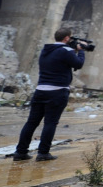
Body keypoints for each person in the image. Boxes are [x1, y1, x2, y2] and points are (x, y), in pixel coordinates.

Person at [14, 28, 87, 161]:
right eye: (70, 38)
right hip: (57, 92)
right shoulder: (66, 51)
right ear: (66, 38)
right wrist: (81, 51)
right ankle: (43, 153)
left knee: (31, 122)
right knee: (50, 123)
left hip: (41, 90)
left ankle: (20, 152)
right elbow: (79, 64)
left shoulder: (46, 50)